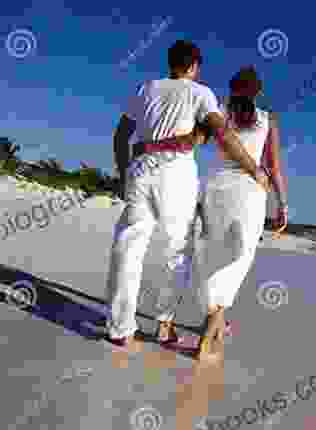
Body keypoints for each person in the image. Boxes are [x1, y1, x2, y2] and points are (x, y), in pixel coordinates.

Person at [106, 41, 270, 351]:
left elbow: (121, 134)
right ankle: (164, 326)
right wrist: (255, 169)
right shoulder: (200, 93)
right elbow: (222, 134)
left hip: (139, 170)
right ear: (194, 65)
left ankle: (119, 328)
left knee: (128, 246)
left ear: (171, 63)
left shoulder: (147, 88)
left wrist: (123, 172)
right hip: (176, 174)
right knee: (175, 251)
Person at [156, 66, 288, 362]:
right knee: (239, 258)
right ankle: (211, 328)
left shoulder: (219, 113)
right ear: (258, 92)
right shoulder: (268, 119)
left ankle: (217, 322)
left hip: (216, 188)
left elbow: (191, 141)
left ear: (231, 88)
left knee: (215, 255)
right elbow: (274, 167)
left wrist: (156, 149)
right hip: (250, 190)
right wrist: (282, 205)